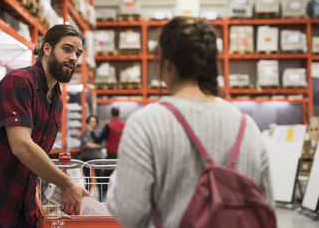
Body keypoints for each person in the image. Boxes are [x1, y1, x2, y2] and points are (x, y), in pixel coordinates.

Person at [107, 17, 274, 228]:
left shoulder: (146, 123)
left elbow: (128, 212)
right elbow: (267, 203)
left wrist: (118, 180)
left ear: (166, 65)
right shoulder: (247, 125)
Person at [0, 24, 90, 228]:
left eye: (78, 53)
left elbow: (35, 158)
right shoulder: (19, 82)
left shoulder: (57, 100)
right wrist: (66, 183)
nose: (73, 58)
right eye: (67, 49)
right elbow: (22, 145)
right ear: (47, 49)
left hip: (19, 210)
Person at [79, 115, 104, 200]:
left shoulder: (98, 133)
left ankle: (101, 199)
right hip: (87, 159)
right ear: (87, 123)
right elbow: (85, 144)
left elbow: (102, 144)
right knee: (88, 180)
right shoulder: (85, 133)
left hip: (97, 158)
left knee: (100, 179)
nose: (92, 123)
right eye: (91, 122)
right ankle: (87, 199)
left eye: (94, 122)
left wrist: (93, 145)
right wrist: (95, 145)